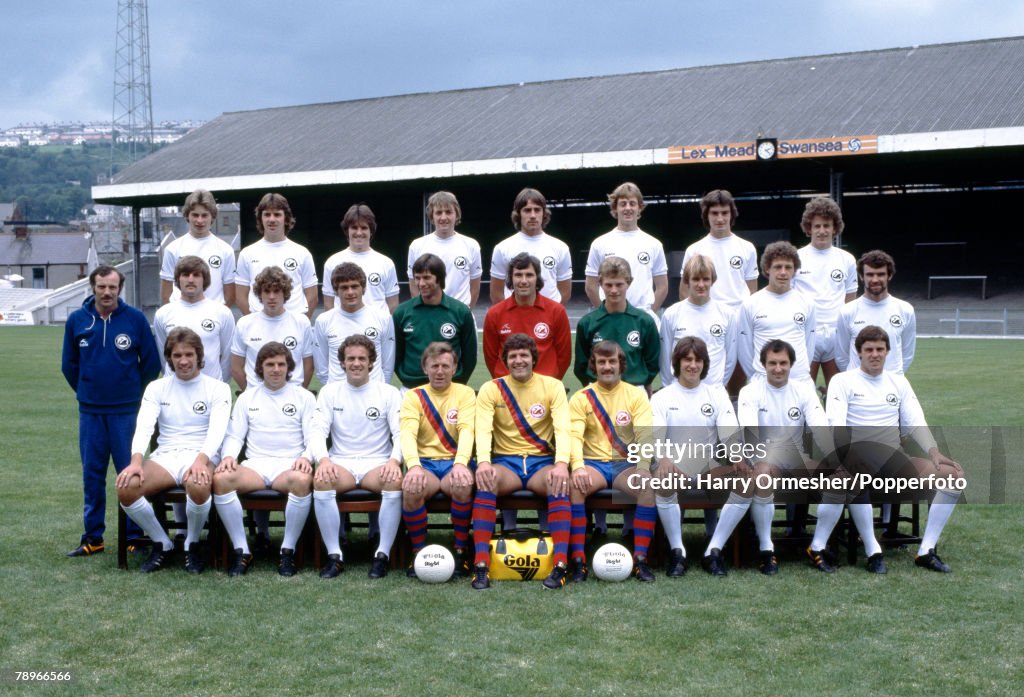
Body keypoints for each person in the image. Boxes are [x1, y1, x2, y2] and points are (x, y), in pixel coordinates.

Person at [808, 326, 965, 574]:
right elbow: (835, 424)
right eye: (868, 349)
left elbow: (915, 420)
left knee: (954, 477)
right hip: (855, 456)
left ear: (887, 352)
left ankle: (926, 551)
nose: (874, 354)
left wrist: (934, 452)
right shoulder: (842, 381)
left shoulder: (898, 382)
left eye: (880, 349)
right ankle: (873, 551)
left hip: (892, 459)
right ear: (858, 352)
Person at [61, 265, 161, 557]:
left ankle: (133, 535)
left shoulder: (135, 319)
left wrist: (130, 392)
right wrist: (87, 391)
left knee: (130, 474)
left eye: (112, 287)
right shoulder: (77, 320)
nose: (107, 292)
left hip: (126, 413)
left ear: (120, 289)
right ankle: (93, 538)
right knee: (92, 474)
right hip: (91, 413)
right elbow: (69, 365)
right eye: (101, 286)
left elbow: (151, 364)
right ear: (92, 287)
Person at [114, 328, 231, 573]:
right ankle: (162, 542)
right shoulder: (156, 388)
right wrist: (136, 461)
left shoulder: (217, 388)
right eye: (177, 356)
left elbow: (217, 432)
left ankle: (191, 543)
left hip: (202, 454)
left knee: (198, 485)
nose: (184, 361)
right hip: (166, 455)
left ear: (199, 356)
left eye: (189, 354)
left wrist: (201, 461)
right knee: (126, 486)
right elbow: (144, 426)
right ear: (169, 357)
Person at [721, 340, 834, 575]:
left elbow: (820, 426)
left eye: (783, 363)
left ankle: (817, 546)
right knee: (762, 476)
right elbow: (750, 433)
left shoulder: (803, 390)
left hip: (796, 458)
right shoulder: (750, 391)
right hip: (763, 458)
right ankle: (767, 550)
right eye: (772, 363)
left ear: (791, 364)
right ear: (763, 365)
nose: (778, 368)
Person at [469, 334, 572, 590]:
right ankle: (481, 564)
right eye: (513, 356)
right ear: (505, 360)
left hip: (541, 462)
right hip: (507, 463)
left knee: (557, 483)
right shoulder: (492, 388)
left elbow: (562, 429)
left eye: (524, 355)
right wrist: (483, 462)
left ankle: (560, 564)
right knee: (486, 481)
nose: (518, 360)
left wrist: (561, 464)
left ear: (533, 358)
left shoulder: (553, 386)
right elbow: (482, 430)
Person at [212, 342, 316, 576]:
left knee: (301, 480)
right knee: (221, 479)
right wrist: (228, 456)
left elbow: (314, 436)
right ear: (260, 368)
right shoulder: (248, 397)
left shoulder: (304, 397)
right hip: (256, 466)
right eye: (270, 364)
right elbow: (235, 436)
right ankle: (242, 550)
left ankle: (287, 551)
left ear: (289, 367)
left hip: (289, 465)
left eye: (281, 364)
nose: (276, 369)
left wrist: (306, 457)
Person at [310, 335, 404, 579]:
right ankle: (335, 556)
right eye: (350, 358)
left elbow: (401, 433)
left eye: (362, 358)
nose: (356, 363)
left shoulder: (389, 392)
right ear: (342, 362)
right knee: (322, 481)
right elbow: (317, 430)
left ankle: (381, 555)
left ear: (371, 362)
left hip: (378, 462)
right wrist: (324, 460)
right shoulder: (330, 392)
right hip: (341, 462)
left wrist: (394, 461)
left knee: (394, 481)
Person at [649, 336, 744, 576]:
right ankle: (677, 552)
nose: (693, 365)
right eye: (687, 359)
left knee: (747, 482)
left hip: (708, 468)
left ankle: (713, 551)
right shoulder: (662, 397)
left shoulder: (717, 394)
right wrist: (664, 459)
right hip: (674, 467)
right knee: (663, 480)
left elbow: (728, 430)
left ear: (705, 364)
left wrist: (736, 456)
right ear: (677, 363)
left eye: (698, 360)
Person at [567, 341, 657, 582]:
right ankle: (578, 560)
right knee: (575, 486)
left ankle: (640, 559)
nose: (607, 367)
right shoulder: (581, 397)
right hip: (593, 463)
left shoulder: (635, 395)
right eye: (602, 362)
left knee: (647, 487)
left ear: (621, 364)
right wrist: (577, 468)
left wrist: (643, 468)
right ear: (594, 366)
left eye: (612, 361)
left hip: (624, 465)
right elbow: (573, 436)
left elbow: (645, 433)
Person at [400, 342, 476, 576]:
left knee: (463, 485)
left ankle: (461, 549)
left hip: (456, 461)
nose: (440, 371)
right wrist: (413, 467)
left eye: (445, 366)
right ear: (425, 368)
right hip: (426, 464)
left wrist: (461, 463)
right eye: (434, 366)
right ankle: (418, 552)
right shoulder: (414, 396)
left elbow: (467, 430)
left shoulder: (464, 393)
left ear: (454, 369)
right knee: (412, 489)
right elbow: (407, 433)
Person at [792, 197, 857, 385]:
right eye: (817, 226)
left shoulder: (847, 259)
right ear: (808, 228)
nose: (822, 231)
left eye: (826, 225)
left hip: (836, 334)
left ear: (835, 228)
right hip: (805, 333)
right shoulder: (796, 258)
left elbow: (850, 303)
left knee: (838, 392)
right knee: (803, 391)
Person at [736, 241, 817, 385]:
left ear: (795, 270)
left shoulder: (807, 303)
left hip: (800, 381)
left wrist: (798, 370)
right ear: (767, 269)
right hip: (763, 382)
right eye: (778, 267)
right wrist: (759, 376)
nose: (783, 272)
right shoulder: (750, 304)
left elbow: (809, 346)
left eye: (788, 267)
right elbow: (744, 350)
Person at [393, 253, 477, 389]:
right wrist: (406, 378)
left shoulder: (461, 311)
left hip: (450, 388)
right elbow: (395, 355)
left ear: (439, 278)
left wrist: (458, 382)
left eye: (427, 278)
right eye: (417, 278)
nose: (421, 283)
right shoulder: (401, 312)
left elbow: (470, 357)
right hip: (412, 388)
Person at [482, 252, 571, 379]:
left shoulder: (557, 311)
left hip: (545, 388)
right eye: (518, 275)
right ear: (511, 279)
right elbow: (491, 358)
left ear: (537, 278)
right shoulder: (495, 314)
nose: (523, 281)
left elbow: (564, 356)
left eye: (529, 275)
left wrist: (551, 384)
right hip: (508, 389)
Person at [575, 256, 659, 390]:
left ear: (629, 282)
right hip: (598, 391)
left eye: (619, 284)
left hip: (634, 390)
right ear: (600, 283)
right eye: (609, 285)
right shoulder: (587, 323)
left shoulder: (644, 321)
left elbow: (653, 362)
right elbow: (581, 365)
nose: (614, 290)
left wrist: (641, 382)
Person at [585, 181, 668, 314]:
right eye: (623, 204)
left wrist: (646, 315)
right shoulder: (599, 244)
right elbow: (590, 286)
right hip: (610, 316)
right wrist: (605, 313)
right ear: (615, 208)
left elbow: (662, 286)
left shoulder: (654, 244)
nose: (628, 208)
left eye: (632, 203)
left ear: (639, 207)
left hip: (642, 315)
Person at [659, 254, 737, 389]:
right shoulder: (671, 314)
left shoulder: (727, 314)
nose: (701, 284)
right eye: (695, 279)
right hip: (679, 391)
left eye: (706, 279)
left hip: (714, 391)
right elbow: (665, 358)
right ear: (687, 281)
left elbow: (731, 358)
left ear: (712, 281)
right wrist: (670, 387)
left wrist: (718, 386)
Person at [231, 266, 314, 391]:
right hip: (256, 398)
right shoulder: (245, 324)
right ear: (259, 294)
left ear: (285, 293)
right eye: (267, 291)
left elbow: (308, 365)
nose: (271, 296)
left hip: (293, 398)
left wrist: (297, 393)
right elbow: (236, 367)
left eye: (276, 291)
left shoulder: (302, 322)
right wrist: (251, 392)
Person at [235, 192, 318, 318]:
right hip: (259, 329)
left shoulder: (302, 253)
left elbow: (312, 297)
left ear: (286, 218)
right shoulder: (247, 254)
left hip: (293, 329)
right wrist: (255, 323)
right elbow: (241, 297)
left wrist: (300, 324)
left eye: (277, 214)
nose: (272, 219)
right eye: (267, 214)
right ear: (260, 218)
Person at [154, 256, 235, 382]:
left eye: (196, 275)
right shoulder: (163, 314)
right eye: (185, 275)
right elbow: (163, 355)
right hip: (174, 389)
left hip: (210, 389)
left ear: (205, 280)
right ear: (177, 280)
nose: (191, 280)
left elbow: (228, 356)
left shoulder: (222, 313)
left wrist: (218, 384)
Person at [834, 249, 916, 375]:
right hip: (857, 387)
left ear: (889, 275)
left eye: (881, 274)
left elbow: (907, 354)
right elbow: (841, 356)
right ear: (861, 276)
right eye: (870, 274)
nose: (875, 279)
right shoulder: (847, 311)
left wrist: (890, 378)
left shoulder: (905, 310)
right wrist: (856, 378)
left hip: (892, 385)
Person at [313, 262, 395, 385]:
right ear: (336, 291)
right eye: (344, 287)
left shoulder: (383, 318)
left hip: (373, 394)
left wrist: (380, 390)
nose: (350, 292)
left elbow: (387, 366)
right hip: (338, 396)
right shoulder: (323, 321)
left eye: (354, 286)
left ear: (364, 288)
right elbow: (321, 369)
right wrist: (333, 391)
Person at [489, 188, 572, 305]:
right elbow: (496, 293)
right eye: (527, 210)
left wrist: (551, 313)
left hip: (548, 320)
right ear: (518, 214)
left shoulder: (560, 247)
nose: (533, 215)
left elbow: (565, 292)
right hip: (514, 319)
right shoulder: (502, 248)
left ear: (544, 213)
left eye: (537, 210)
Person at [680, 189, 757, 309]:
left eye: (725, 213)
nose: (720, 219)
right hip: (707, 318)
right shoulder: (693, 250)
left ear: (732, 214)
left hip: (739, 317)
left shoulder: (747, 248)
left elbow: (752, 291)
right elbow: (684, 292)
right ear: (706, 215)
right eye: (715, 213)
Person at [160, 189, 236, 306]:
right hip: (180, 318)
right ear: (187, 216)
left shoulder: (226, 250)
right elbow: (166, 294)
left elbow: (230, 294)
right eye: (195, 215)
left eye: (204, 215)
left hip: (212, 319)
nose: (199, 220)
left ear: (212, 217)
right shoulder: (172, 249)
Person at [406, 191, 482, 307]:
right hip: (429, 315)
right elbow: (413, 286)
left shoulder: (471, 245)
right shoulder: (417, 246)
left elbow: (475, 287)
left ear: (456, 214)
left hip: (460, 316)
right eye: (438, 213)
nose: (443, 217)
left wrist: (464, 312)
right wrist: (422, 312)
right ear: (432, 216)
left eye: (448, 212)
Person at [322, 203, 400, 314]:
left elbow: (393, 306)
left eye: (364, 228)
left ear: (371, 231)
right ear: (347, 230)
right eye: (354, 227)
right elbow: (328, 304)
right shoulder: (332, 262)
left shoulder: (386, 263)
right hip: (344, 329)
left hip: (376, 329)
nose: (359, 233)